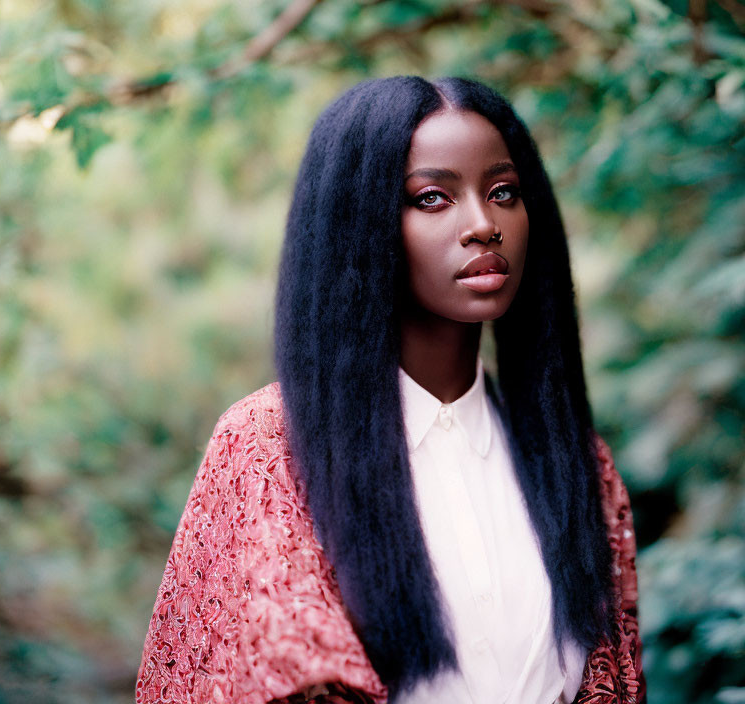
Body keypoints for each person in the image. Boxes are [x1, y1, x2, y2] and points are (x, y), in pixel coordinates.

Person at [136, 76, 644, 704]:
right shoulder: (267, 449)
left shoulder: (581, 466)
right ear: (357, 223)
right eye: (432, 198)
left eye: (504, 191)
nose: (484, 224)